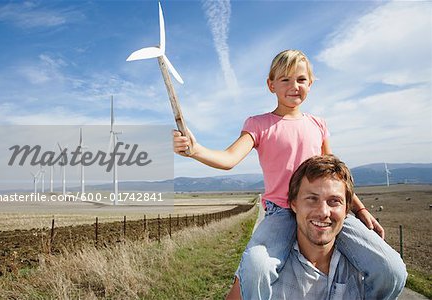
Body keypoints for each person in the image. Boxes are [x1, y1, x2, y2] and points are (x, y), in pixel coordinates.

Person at [173, 49, 406, 299]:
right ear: (270, 84)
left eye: (301, 79)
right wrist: (196, 150)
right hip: (282, 211)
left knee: (392, 269)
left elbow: (337, 178)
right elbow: (229, 159)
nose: (294, 86)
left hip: (323, 205)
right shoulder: (259, 124)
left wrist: (359, 209)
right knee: (257, 266)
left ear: (311, 83)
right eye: (285, 79)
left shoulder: (318, 124)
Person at [226, 155, 406, 299]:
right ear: (293, 204)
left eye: (334, 201)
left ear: (346, 208)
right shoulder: (264, 271)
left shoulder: (368, 272)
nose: (323, 212)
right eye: (312, 199)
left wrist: (362, 209)